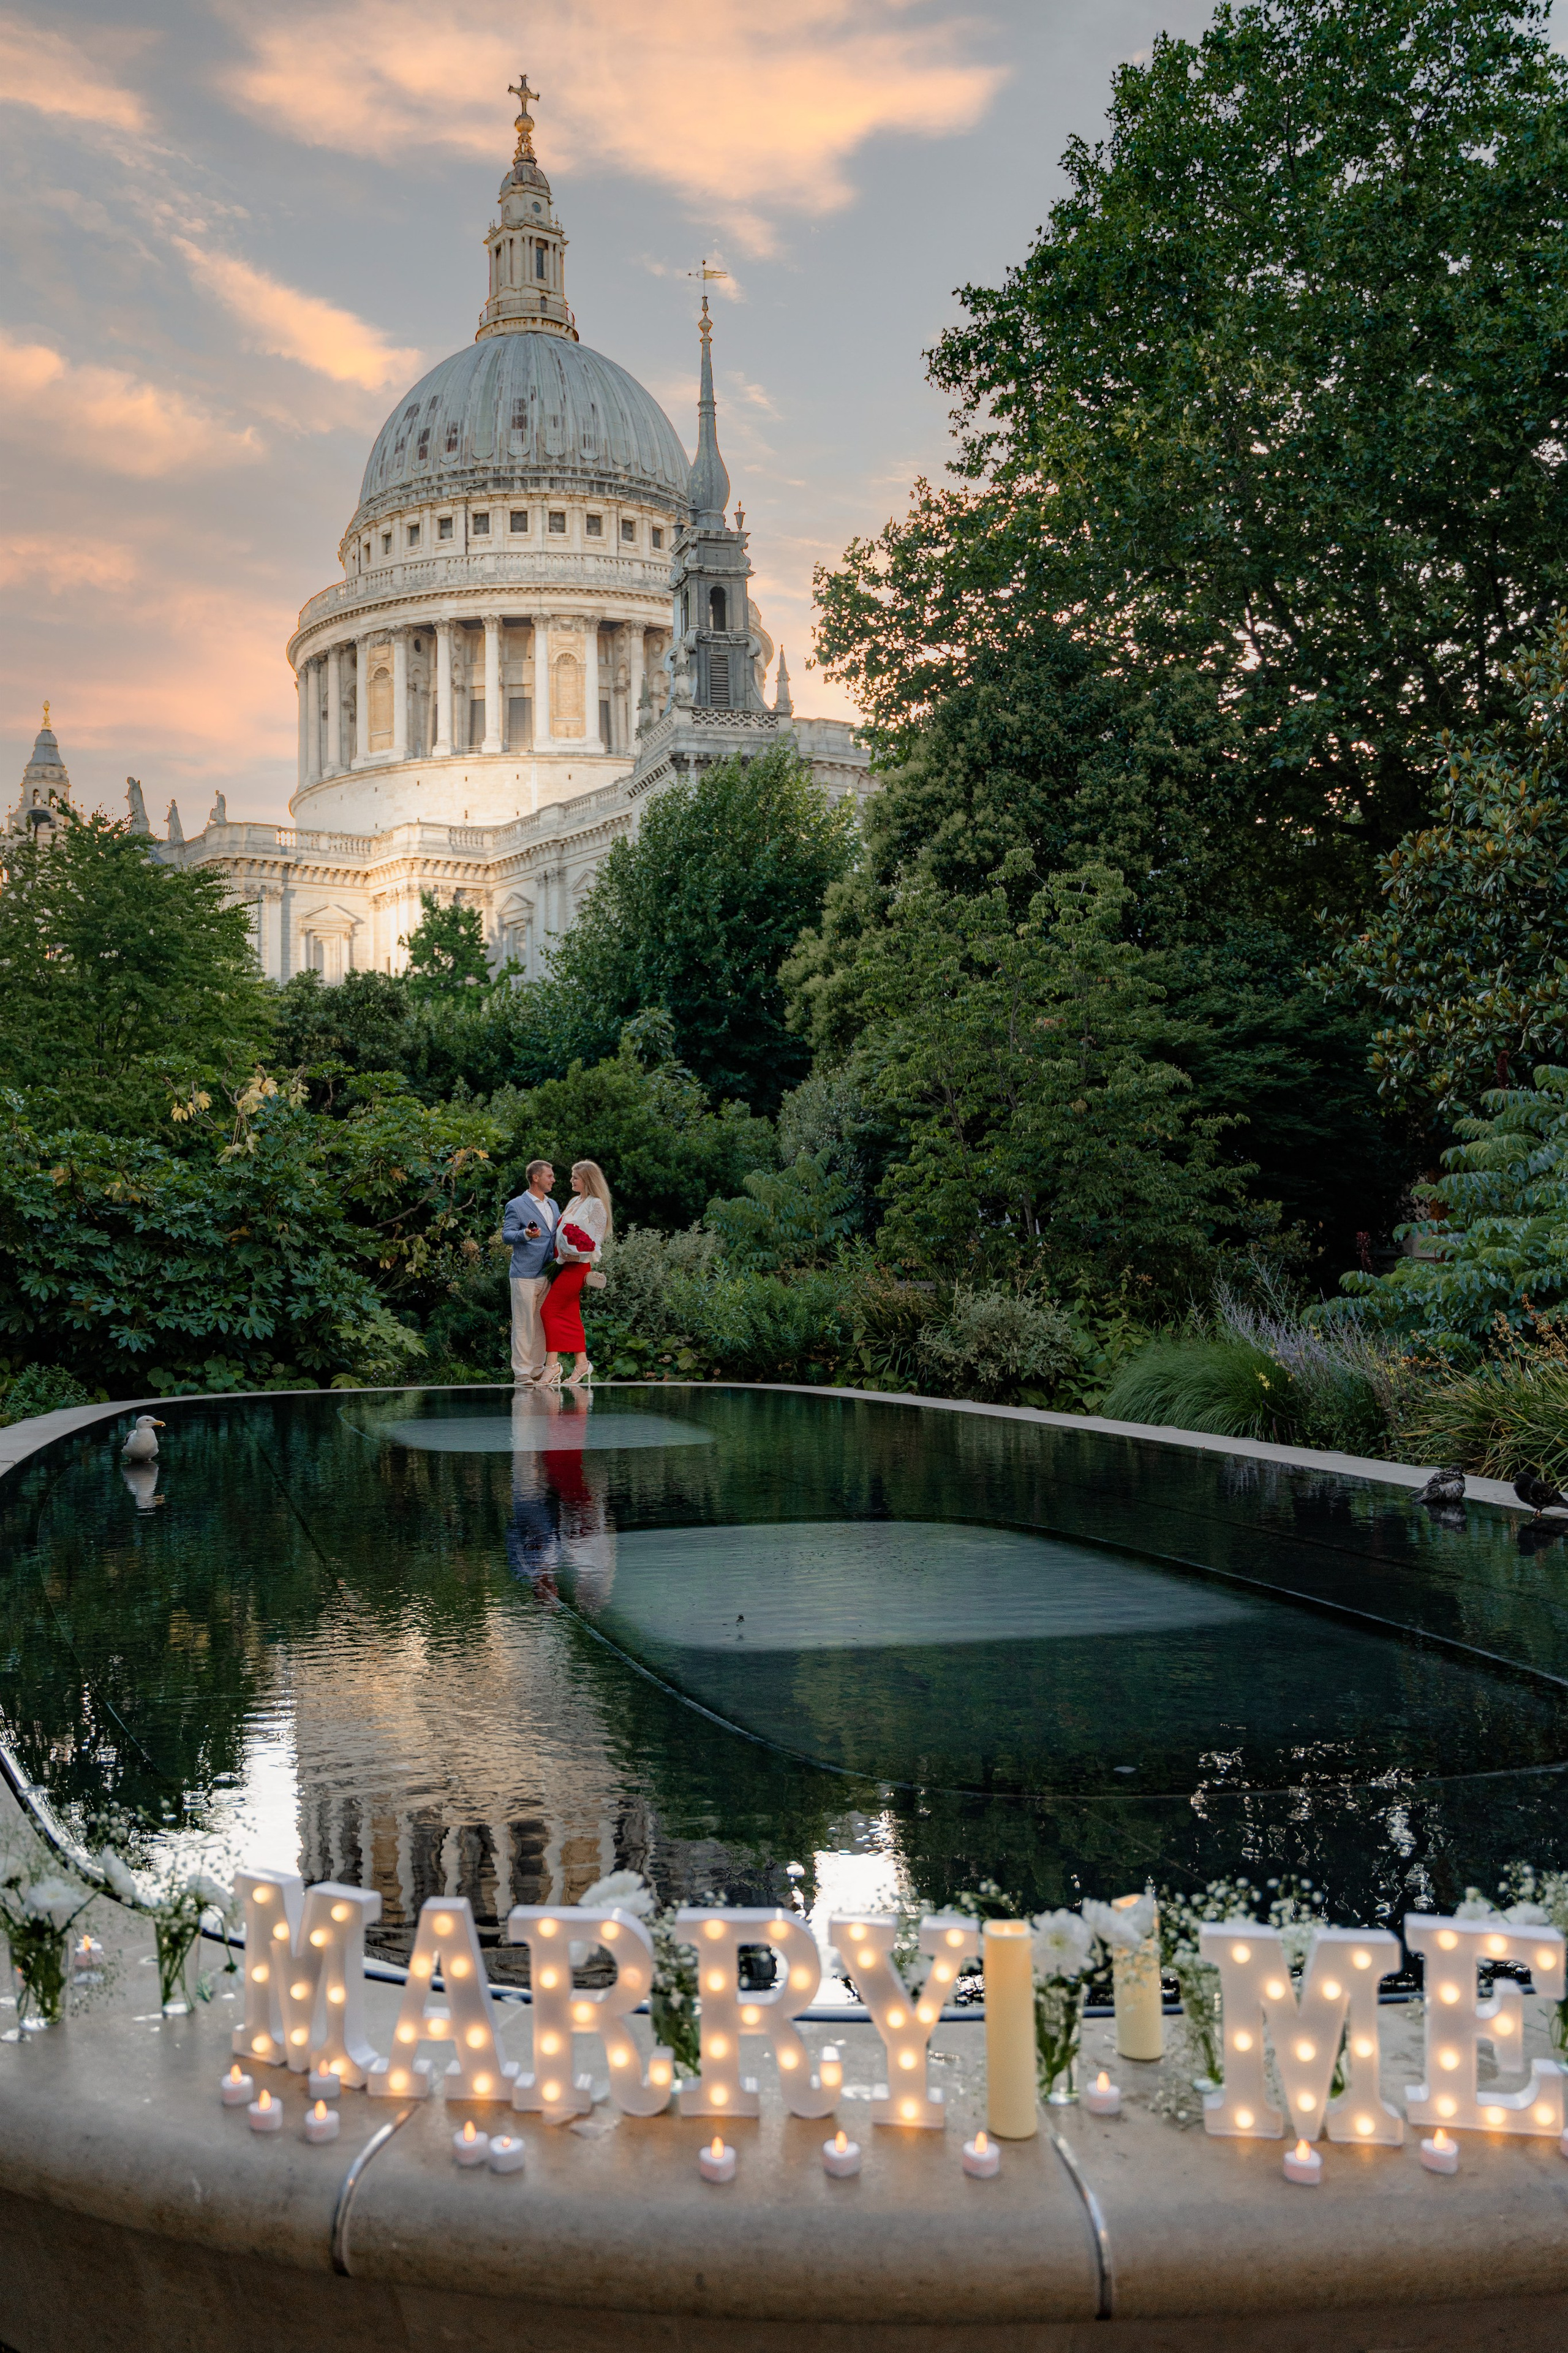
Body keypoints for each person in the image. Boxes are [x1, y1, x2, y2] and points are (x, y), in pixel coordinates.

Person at [539, 1160, 612, 1388]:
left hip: (578, 1268)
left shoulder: (596, 1205)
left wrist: (573, 1251)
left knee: (548, 1310)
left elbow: (594, 1243)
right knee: (570, 1315)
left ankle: (552, 1365)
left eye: (575, 1177)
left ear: (587, 1180)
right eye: (572, 1177)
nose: (571, 1181)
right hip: (563, 1266)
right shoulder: (573, 1201)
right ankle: (582, 1362)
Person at [501, 1158, 560, 1385]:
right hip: (524, 1274)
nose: (553, 1179)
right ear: (536, 1178)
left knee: (542, 1323)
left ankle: (537, 1369)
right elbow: (507, 1236)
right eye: (550, 1176)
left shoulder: (554, 1205)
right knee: (524, 1324)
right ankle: (522, 1373)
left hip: (549, 1273)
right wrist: (525, 1234)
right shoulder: (516, 1205)